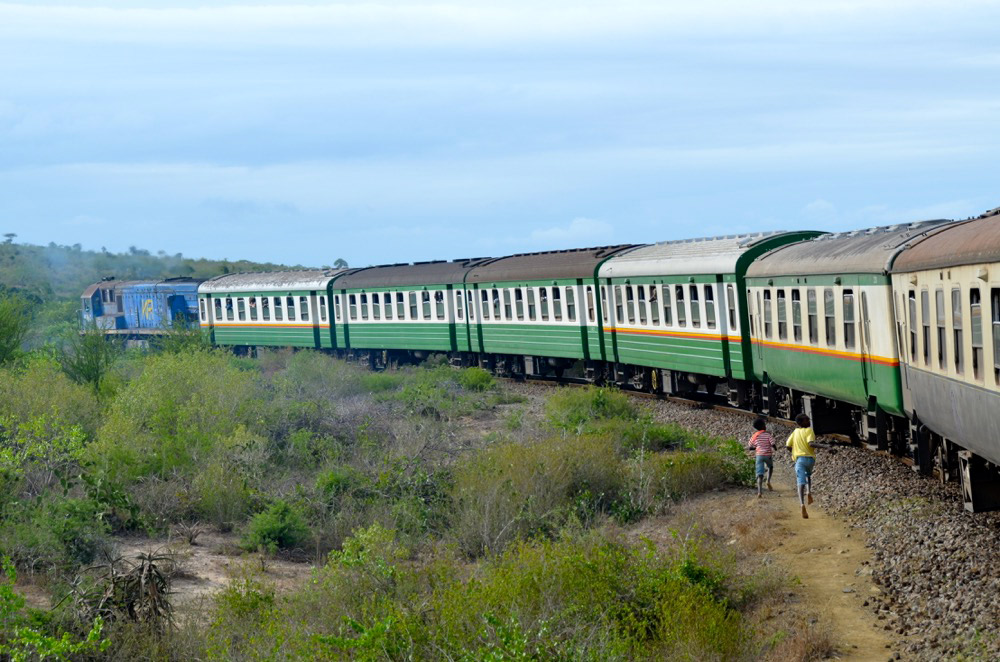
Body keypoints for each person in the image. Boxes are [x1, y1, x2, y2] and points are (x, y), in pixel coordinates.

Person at [786, 413, 818, 518]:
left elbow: (788, 445)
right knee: (808, 475)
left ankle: (802, 504)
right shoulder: (809, 430)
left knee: (800, 483)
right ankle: (809, 492)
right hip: (811, 460)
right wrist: (826, 446)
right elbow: (811, 444)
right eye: (807, 420)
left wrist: (794, 452)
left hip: (800, 460)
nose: (809, 421)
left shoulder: (795, 432)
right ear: (801, 422)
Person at [747, 417, 775, 498]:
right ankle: (768, 481)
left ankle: (759, 492)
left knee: (760, 474)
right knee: (770, 467)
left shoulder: (755, 435)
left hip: (759, 456)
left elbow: (750, 446)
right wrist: (775, 447)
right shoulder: (767, 434)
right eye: (764, 424)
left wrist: (756, 448)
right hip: (768, 455)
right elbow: (772, 443)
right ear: (763, 426)